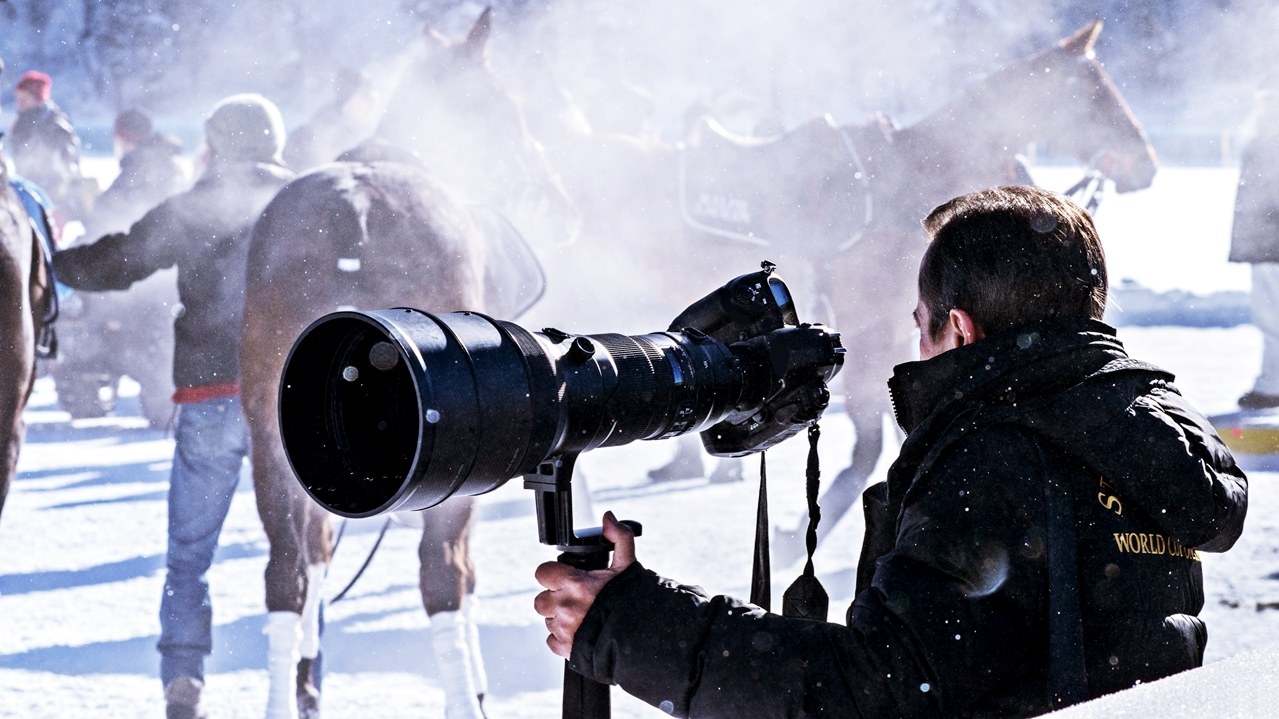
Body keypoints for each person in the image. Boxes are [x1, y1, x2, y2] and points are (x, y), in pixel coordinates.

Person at [534, 185, 1249, 717]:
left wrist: (629, 625)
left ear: (960, 329)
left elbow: (871, 694)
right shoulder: (1143, 440)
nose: (917, 347)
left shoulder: (995, 461)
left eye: (921, 326)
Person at [53, 93, 295, 719]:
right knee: (297, 546)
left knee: (189, 555)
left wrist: (53, 262)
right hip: (289, 403)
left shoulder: (199, 203)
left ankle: (183, 679)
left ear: (218, 143)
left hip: (212, 396)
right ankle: (299, 678)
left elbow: (119, 261)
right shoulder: (302, 202)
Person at [1229, 86, 1279, 409]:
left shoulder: (1268, 138)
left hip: (1270, 243)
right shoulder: (1262, 136)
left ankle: (1273, 384)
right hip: (1265, 241)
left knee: (1272, 314)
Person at [82, 108, 188, 239]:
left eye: (116, 137)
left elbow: (104, 218)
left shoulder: (139, 169)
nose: (115, 144)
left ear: (126, 139)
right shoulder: (167, 164)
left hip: (146, 246)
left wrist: (89, 203)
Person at [6, 69, 90, 224]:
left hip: (54, 200)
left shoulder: (56, 125)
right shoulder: (20, 124)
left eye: (25, 99)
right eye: (18, 99)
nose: (20, 104)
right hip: (27, 194)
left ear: (38, 98)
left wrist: (63, 207)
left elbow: (70, 167)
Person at [282, 66, 381, 172]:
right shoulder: (309, 137)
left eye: (373, 98)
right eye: (366, 97)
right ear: (348, 99)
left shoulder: (371, 136)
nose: (372, 104)